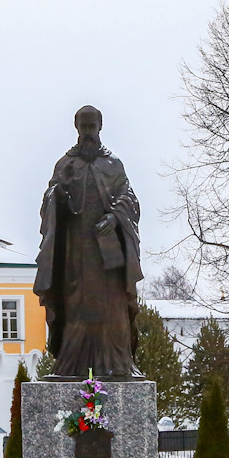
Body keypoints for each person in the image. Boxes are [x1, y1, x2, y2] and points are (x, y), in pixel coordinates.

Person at [34, 106, 143, 378]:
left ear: (100, 127)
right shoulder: (65, 164)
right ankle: (71, 365)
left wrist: (116, 218)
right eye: (83, 128)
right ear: (76, 128)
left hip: (108, 254)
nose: (88, 133)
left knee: (113, 308)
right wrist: (57, 193)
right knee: (76, 307)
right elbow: (49, 200)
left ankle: (117, 364)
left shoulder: (113, 164)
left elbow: (130, 199)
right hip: (76, 251)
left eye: (92, 127)